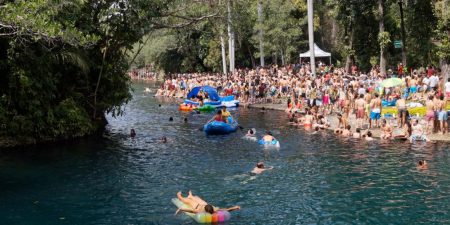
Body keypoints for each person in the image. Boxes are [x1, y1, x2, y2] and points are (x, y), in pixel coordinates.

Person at [175, 191, 241, 215]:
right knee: (182, 199)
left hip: (204, 204)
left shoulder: (213, 209)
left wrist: (235, 207)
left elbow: (227, 210)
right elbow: (189, 210)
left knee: (196, 198)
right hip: (196, 206)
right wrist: (180, 209)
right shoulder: (198, 211)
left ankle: (190, 195)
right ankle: (179, 195)